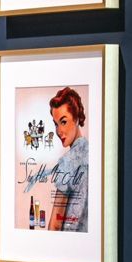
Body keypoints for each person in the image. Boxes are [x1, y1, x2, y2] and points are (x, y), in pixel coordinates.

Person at [47, 86, 90, 232]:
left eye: (63, 122)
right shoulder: (94, 153)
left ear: (77, 118)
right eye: (56, 124)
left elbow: (55, 224)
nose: (59, 131)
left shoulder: (68, 161)